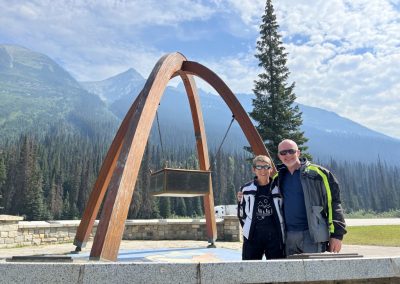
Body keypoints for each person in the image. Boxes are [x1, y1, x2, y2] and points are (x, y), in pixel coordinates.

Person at [276, 139, 346, 256]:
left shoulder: (319, 174)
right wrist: (242, 195)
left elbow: (333, 203)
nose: (287, 155)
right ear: (279, 156)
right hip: (288, 237)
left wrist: (337, 235)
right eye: (283, 153)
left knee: (316, 273)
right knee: (291, 273)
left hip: (313, 236)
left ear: (298, 153)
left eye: (291, 151)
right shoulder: (277, 178)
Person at [237, 155, 285, 260]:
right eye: (259, 167)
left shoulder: (279, 188)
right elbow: (241, 213)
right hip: (252, 237)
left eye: (266, 167)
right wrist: (247, 228)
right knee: (250, 269)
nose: (262, 170)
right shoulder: (246, 189)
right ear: (254, 169)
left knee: (277, 269)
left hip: (275, 237)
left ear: (271, 169)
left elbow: (283, 210)